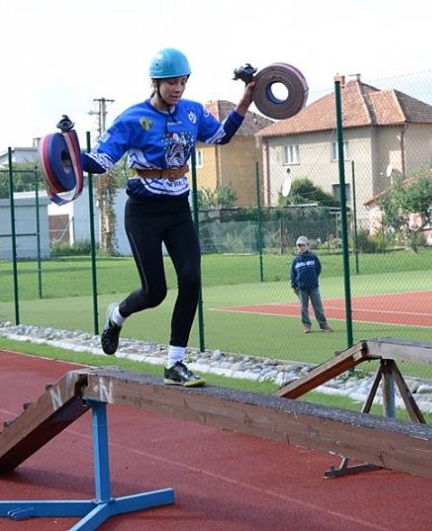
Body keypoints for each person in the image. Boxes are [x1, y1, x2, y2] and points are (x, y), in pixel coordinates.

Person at [81, 47, 254, 387]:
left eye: (182, 82)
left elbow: (220, 136)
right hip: (143, 212)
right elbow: (101, 161)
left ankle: (175, 363)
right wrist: (69, 156)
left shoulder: (192, 112)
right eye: (171, 83)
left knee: (191, 279)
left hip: (178, 209)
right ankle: (117, 315)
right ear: (156, 83)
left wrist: (246, 99)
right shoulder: (133, 119)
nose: (178, 88)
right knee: (155, 292)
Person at [290, 236, 331, 333]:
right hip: (301, 288)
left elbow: (318, 269)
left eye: (303, 245)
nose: (301, 247)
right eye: (299, 246)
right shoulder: (296, 260)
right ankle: (307, 325)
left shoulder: (313, 257)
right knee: (304, 307)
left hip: (313, 287)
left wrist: (313, 279)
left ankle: (323, 324)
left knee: (318, 306)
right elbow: (293, 274)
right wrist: (294, 286)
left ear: (307, 245)